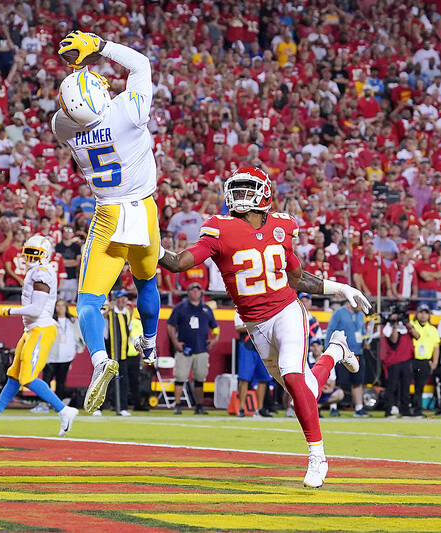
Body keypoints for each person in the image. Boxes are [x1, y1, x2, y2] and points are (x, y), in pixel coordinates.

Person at [159, 166, 371, 487]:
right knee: (307, 393)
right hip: (256, 325)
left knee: (291, 373)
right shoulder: (220, 229)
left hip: (287, 310)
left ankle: (317, 456)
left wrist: (340, 288)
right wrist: (151, 250)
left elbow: (298, 278)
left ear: (264, 194)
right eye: (237, 189)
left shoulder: (282, 226)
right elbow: (178, 263)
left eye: (247, 189)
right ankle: (336, 350)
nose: (240, 196)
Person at [52, 31, 162, 414]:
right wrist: (99, 47)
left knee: (88, 301)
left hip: (107, 215)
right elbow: (140, 64)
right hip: (144, 211)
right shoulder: (126, 112)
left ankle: (100, 359)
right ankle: (149, 341)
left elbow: (66, 112)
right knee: (146, 281)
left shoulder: (67, 131)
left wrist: (75, 81)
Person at [0, 236, 79, 436]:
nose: (29, 256)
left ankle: (64, 410)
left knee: (27, 376)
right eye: (28, 251)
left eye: (34, 253)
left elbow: (36, 309)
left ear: (44, 254)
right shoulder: (36, 271)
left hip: (41, 329)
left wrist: (10, 311)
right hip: (32, 330)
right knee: (14, 375)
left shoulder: (42, 273)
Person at [167, 282, 219, 415]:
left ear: (201, 292)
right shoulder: (180, 307)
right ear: (188, 292)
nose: (195, 293)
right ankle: (177, 404)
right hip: (184, 348)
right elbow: (171, 326)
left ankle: (199, 405)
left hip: (201, 348)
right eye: (192, 290)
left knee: (200, 378)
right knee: (180, 377)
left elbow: (215, 327)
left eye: (197, 290)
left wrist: (214, 339)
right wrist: (175, 342)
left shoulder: (206, 309)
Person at [326, 300, 370, 417]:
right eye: (360, 304)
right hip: (341, 353)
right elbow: (331, 330)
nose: (362, 308)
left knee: (357, 381)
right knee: (338, 381)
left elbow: (362, 332)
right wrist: (328, 350)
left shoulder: (360, 315)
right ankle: (333, 407)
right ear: (354, 302)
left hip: (357, 352)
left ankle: (359, 408)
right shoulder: (339, 313)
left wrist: (365, 342)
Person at [103, 289, 140, 415]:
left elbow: (128, 333)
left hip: (123, 354)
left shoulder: (128, 313)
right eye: (121, 297)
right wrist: (109, 309)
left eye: (125, 297)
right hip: (109, 353)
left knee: (123, 381)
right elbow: (100, 321)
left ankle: (123, 407)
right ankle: (99, 407)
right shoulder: (110, 312)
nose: (124, 300)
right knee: (106, 381)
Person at [42, 299, 83, 403]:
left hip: (66, 356)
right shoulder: (50, 321)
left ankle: (58, 403)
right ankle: (44, 402)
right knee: (46, 380)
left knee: (61, 381)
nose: (60, 308)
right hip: (51, 356)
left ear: (66, 307)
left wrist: (78, 348)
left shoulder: (73, 321)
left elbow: (79, 336)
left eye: (62, 306)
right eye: (58, 306)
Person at [235, 311, 273, 417]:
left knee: (263, 378)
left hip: (262, 347)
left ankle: (259, 409)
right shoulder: (241, 308)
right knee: (244, 378)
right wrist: (255, 324)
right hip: (247, 346)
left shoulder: (265, 308)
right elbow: (238, 327)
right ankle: (241, 408)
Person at [380, 308, 415, 417]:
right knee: (392, 387)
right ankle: (388, 409)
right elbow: (394, 339)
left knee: (405, 386)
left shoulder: (406, 327)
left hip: (406, 360)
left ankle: (405, 410)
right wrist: (394, 325)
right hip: (393, 362)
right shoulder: (388, 327)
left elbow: (417, 335)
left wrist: (407, 323)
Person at [410, 303, 440, 416]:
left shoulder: (432, 329)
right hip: (412, 359)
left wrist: (435, 361)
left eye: (425, 313)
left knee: (419, 386)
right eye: (420, 312)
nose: (423, 315)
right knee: (405, 384)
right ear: (417, 314)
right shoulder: (411, 325)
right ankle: (404, 408)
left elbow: (436, 346)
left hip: (424, 361)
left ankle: (417, 409)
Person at [310, 338, 344, 416]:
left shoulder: (327, 359)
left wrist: (326, 389)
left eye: (318, 345)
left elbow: (332, 381)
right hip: (309, 389)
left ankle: (316, 407)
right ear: (310, 348)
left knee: (339, 393)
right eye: (313, 346)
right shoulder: (306, 359)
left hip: (321, 390)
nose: (316, 348)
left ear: (322, 347)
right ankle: (290, 409)